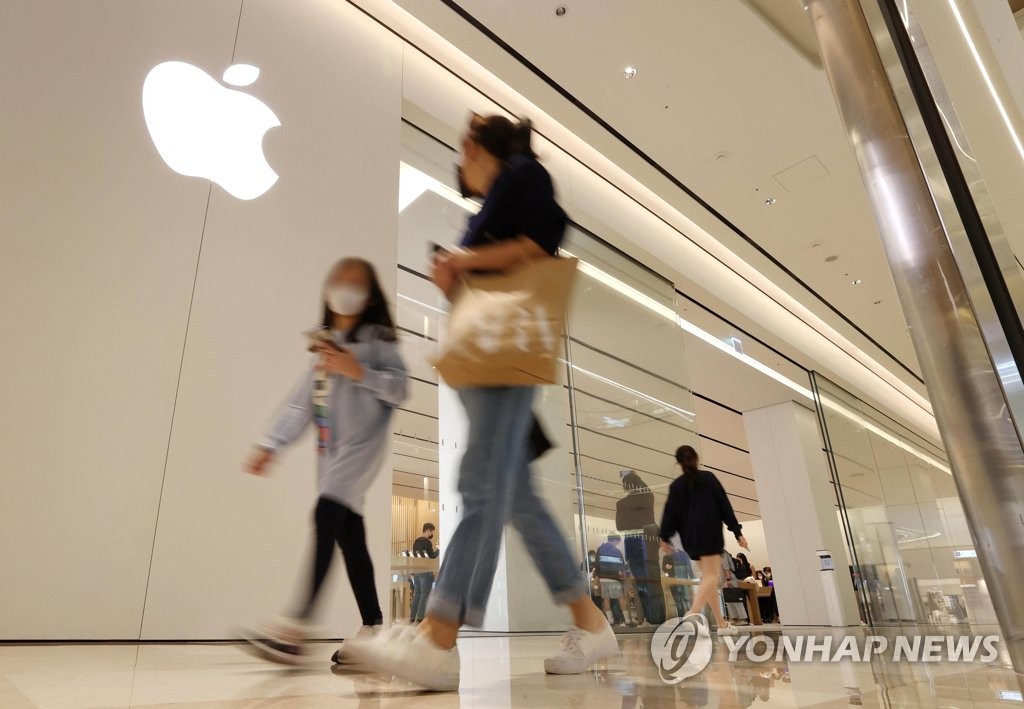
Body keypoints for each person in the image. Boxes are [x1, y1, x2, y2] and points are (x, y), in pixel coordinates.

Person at [350, 114, 617, 691]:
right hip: (491, 358)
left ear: (474, 145)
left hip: (504, 357)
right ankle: (591, 623)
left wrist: (463, 261)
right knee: (519, 500)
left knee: (481, 483)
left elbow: (542, 239)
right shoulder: (493, 200)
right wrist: (456, 276)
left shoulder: (523, 173)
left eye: (462, 150)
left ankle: (438, 636)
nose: (460, 162)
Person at [240, 258, 408, 665]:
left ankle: (295, 628)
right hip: (330, 454)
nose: (344, 288)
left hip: (361, 449)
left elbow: (399, 389)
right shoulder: (324, 347)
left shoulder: (381, 343)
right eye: (339, 280)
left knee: (326, 514)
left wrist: (358, 370)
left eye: (355, 282)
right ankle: (372, 629)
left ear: (370, 297)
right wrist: (270, 444)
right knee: (349, 535)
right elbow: (302, 404)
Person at [659, 445, 748, 635]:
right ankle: (693, 612)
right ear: (697, 458)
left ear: (678, 463)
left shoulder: (677, 486)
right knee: (711, 577)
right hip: (710, 533)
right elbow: (725, 506)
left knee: (709, 579)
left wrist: (665, 536)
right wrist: (737, 532)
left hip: (690, 538)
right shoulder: (709, 479)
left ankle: (721, 624)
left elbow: (670, 513)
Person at [616, 472, 665, 626]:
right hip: (650, 547)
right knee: (654, 584)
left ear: (625, 487)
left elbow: (620, 527)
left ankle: (647, 618)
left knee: (641, 584)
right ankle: (657, 618)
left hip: (633, 545)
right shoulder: (648, 497)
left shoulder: (622, 504)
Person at [410, 522, 439, 623]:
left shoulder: (416, 542)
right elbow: (432, 556)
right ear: (428, 530)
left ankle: (412, 617)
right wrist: (439, 549)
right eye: (432, 532)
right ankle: (420, 618)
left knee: (417, 594)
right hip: (426, 571)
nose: (432, 534)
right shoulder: (427, 542)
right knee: (424, 594)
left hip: (416, 571)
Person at [596, 535, 628, 625]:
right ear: (615, 540)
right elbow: (621, 566)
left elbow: (597, 564)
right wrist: (622, 572)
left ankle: (610, 621)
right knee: (621, 598)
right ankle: (627, 619)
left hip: (603, 578)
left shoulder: (600, 549)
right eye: (617, 542)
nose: (617, 544)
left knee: (606, 599)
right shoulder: (616, 551)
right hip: (614, 578)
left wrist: (597, 576)